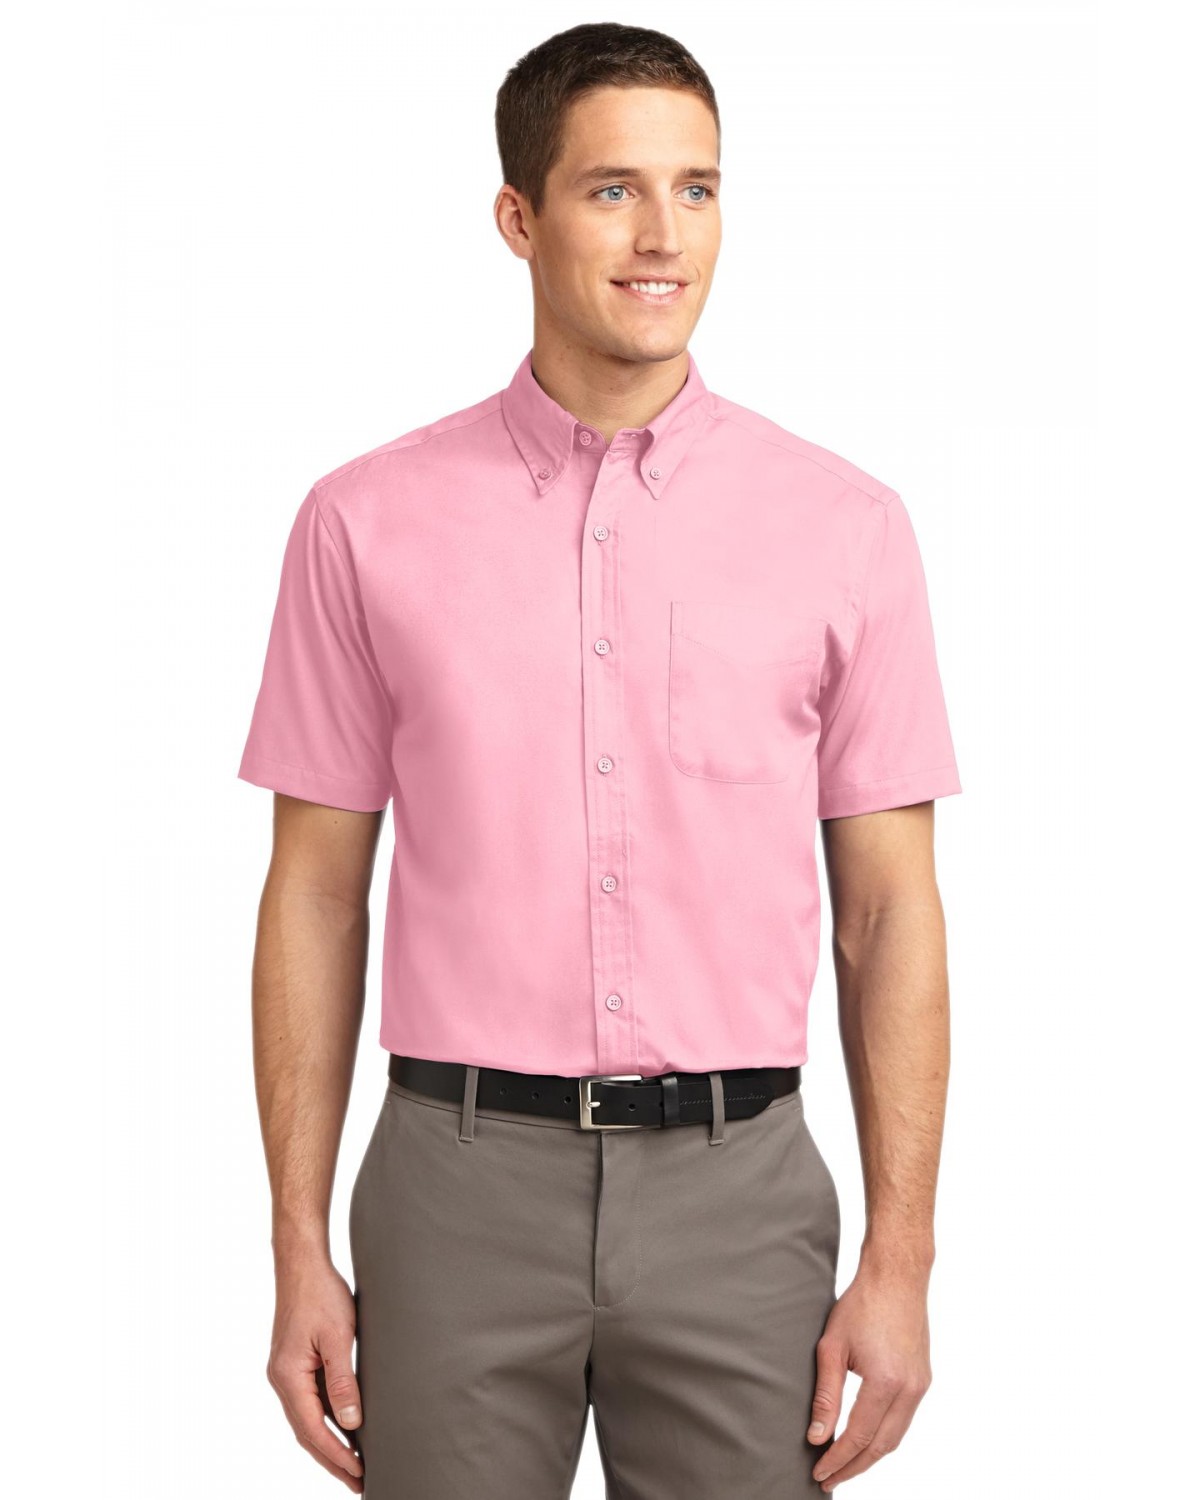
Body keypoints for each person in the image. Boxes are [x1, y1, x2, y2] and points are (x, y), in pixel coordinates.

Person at [237, 21, 962, 1499]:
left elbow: (891, 912)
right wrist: (296, 1244)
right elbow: (312, 894)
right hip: (453, 1191)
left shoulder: (846, 528)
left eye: (698, 189)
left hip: (741, 1197)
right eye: (613, 190)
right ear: (519, 217)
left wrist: (902, 1259)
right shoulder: (361, 524)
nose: (663, 238)